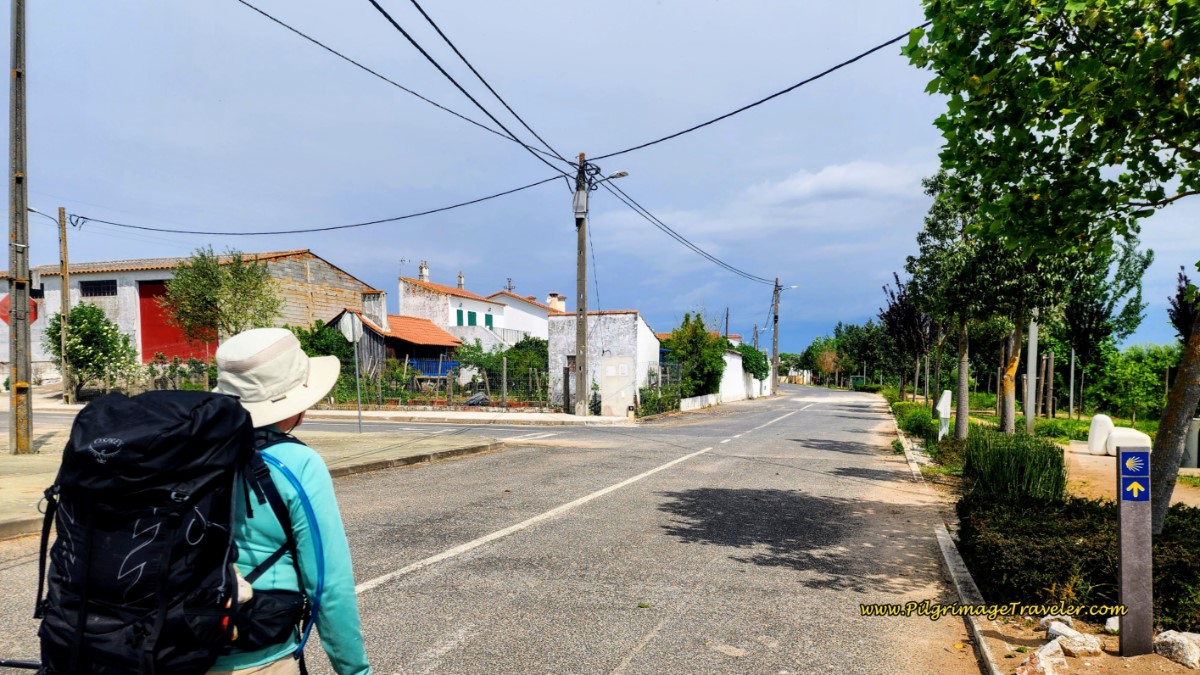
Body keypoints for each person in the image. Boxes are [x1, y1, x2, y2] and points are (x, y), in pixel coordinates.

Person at [209, 327, 371, 675]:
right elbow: (328, 584)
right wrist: (354, 670)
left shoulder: (186, 447)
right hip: (257, 655)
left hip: (167, 646)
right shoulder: (297, 463)